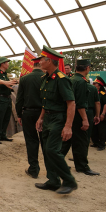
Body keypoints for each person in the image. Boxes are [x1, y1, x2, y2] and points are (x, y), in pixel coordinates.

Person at [33, 47, 78, 195]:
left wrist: (68, 126)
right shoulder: (45, 78)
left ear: (50, 61)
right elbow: (46, 102)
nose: (40, 62)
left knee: (52, 149)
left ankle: (69, 180)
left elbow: (71, 103)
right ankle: (53, 181)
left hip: (59, 119)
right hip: (47, 118)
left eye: (42, 60)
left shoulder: (61, 79)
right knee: (46, 150)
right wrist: (40, 118)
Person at [60, 59, 100, 176]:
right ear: (87, 68)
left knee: (66, 141)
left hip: (68, 115)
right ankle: (82, 167)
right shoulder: (82, 82)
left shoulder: (71, 79)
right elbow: (80, 103)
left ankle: (57, 163)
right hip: (78, 116)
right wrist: (85, 119)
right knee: (81, 142)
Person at [15, 61, 44, 178]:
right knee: (45, 141)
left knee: (31, 141)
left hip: (28, 113)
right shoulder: (46, 78)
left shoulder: (24, 78)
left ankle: (34, 169)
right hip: (44, 114)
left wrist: (19, 114)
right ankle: (51, 170)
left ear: (34, 65)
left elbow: (19, 99)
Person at [0, 56, 15, 144]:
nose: (8, 64)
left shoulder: (5, 74)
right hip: (1, 98)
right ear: (2, 64)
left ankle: (3, 135)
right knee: (0, 118)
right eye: (7, 62)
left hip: (7, 98)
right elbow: (1, 85)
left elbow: (7, 85)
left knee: (6, 117)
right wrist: (9, 83)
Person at [91, 77, 106, 150]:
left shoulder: (103, 93)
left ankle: (102, 144)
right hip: (93, 113)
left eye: (96, 84)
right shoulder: (92, 92)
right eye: (93, 83)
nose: (94, 84)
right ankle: (95, 142)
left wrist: (103, 114)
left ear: (100, 85)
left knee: (102, 129)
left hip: (101, 113)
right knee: (94, 129)